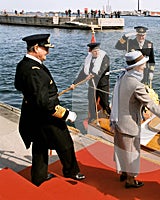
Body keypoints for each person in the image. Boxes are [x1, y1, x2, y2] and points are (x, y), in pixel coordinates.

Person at [14, 34, 85, 186]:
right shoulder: (34, 70)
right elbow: (43, 103)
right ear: (36, 48)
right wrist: (66, 114)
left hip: (32, 114)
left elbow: (18, 86)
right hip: (47, 116)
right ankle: (71, 171)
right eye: (45, 48)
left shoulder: (23, 65)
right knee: (65, 143)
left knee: (40, 145)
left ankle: (39, 176)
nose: (48, 52)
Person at [110, 50, 160, 189]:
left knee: (122, 149)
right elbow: (151, 105)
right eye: (142, 64)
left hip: (118, 120)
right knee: (132, 152)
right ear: (136, 67)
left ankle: (123, 172)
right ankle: (130, 180)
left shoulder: (122, 77)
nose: (145, 67)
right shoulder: (136, 84)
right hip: (130, 124)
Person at [70, 42, 111, 122]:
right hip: (92, 85)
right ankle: (93, 118)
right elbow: (83, 73)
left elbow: (102, 70)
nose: (97, 53)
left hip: (102, 85)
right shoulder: (88, 59)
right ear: (91, 52)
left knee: (104, 102)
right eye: (95, 51)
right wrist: (74, 83)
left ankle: (110, 116)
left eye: (98, 51)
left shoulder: (105, 58)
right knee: (91, 101)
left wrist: (93, 75)